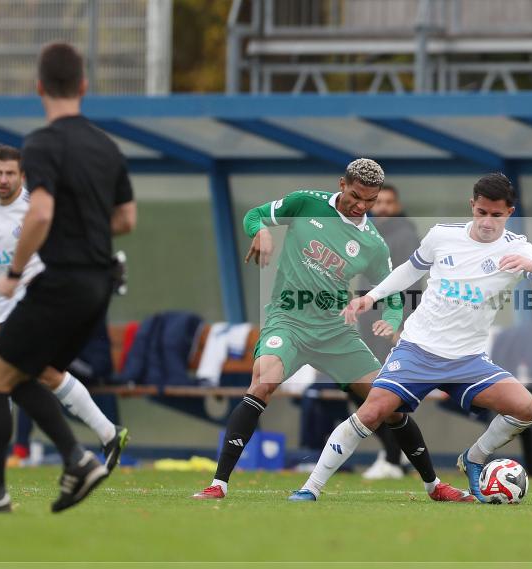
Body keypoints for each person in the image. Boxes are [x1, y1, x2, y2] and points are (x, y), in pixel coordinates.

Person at [192, 159, 470, 503]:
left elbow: (393, 294)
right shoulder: (305, 203)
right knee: (263, 381)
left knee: (389, 403)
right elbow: (254, 215)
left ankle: (434, 486)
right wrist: (260, 230)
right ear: (342, 184)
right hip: (288, 320)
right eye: (355, 196)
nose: (361, 206)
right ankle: (219, 484)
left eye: (369, 200)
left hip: (336, 332)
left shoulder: (373, 243)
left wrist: (393, 320)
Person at [288, 172, 532, 502]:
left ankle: (474, 458)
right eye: (481, 212)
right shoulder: (442, 236)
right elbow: (409, 270)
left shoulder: (519, 249)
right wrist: (371, 297)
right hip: (418, 350)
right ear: (472, 206)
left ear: (510, 212)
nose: (487, 222)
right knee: (370, 412)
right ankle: (311, 487)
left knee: (524, 408)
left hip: (468, 360)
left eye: (496, 215)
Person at [0, 42, 136, 513]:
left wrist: (13, 272)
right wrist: (84, 223)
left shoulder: (43, 143)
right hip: (96, 287)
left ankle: (2, 491)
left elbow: (41, 214)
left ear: (39, 86)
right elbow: (125, 218)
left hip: (59, 284)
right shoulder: (107, 146)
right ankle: (81, 453)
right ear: (84, 86)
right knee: (21, 375)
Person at [0, 146, 128, 472]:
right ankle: (106, 433)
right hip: (6, 308)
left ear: (22, 176)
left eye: (10, 174)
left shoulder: (36, 208)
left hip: (35, 305)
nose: (3, 180)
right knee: (35, 376)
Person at [357, 183, 422, 480]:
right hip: (370, 323)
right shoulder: (367, 233)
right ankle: (395, 455)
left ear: (397, 205)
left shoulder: (405, 235)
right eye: (377, 202)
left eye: (388, 202)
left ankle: (394, 457)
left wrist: (401, 326)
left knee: (381, 390)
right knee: (360, 387)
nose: (382, 207)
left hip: (391, 325)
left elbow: (411, 284)